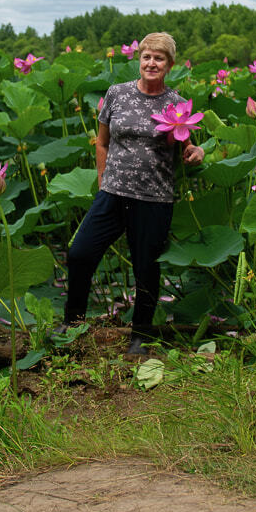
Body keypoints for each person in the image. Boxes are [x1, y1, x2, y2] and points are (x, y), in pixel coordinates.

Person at [64, 32, 203, 353]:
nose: (151, 63)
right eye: (147, 57)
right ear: (139, 60)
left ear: (169, 65)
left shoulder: (177, 104)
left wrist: (198, 153)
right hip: (113, 193)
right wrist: (102, 178)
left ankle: (141, 335)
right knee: (80, 253)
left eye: (159, 58)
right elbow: (102, 141)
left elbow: (188, 144)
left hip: (154, 198)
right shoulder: (117, 94)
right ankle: (72, 322)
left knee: (146, 268)